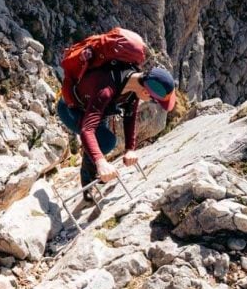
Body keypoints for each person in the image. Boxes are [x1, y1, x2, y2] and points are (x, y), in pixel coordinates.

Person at [56, 64, 177, 200]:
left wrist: (130, 149)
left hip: (97, 110)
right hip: (71, 110)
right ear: (146, 92)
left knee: (102, 143)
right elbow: (87, 130)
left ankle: (94, 169)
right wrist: (100, 162)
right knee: (106, 141)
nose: (152, 103)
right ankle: (88, 183)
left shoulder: (134, 82)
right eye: (154, 101)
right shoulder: (106, 89)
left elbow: (130, 116)